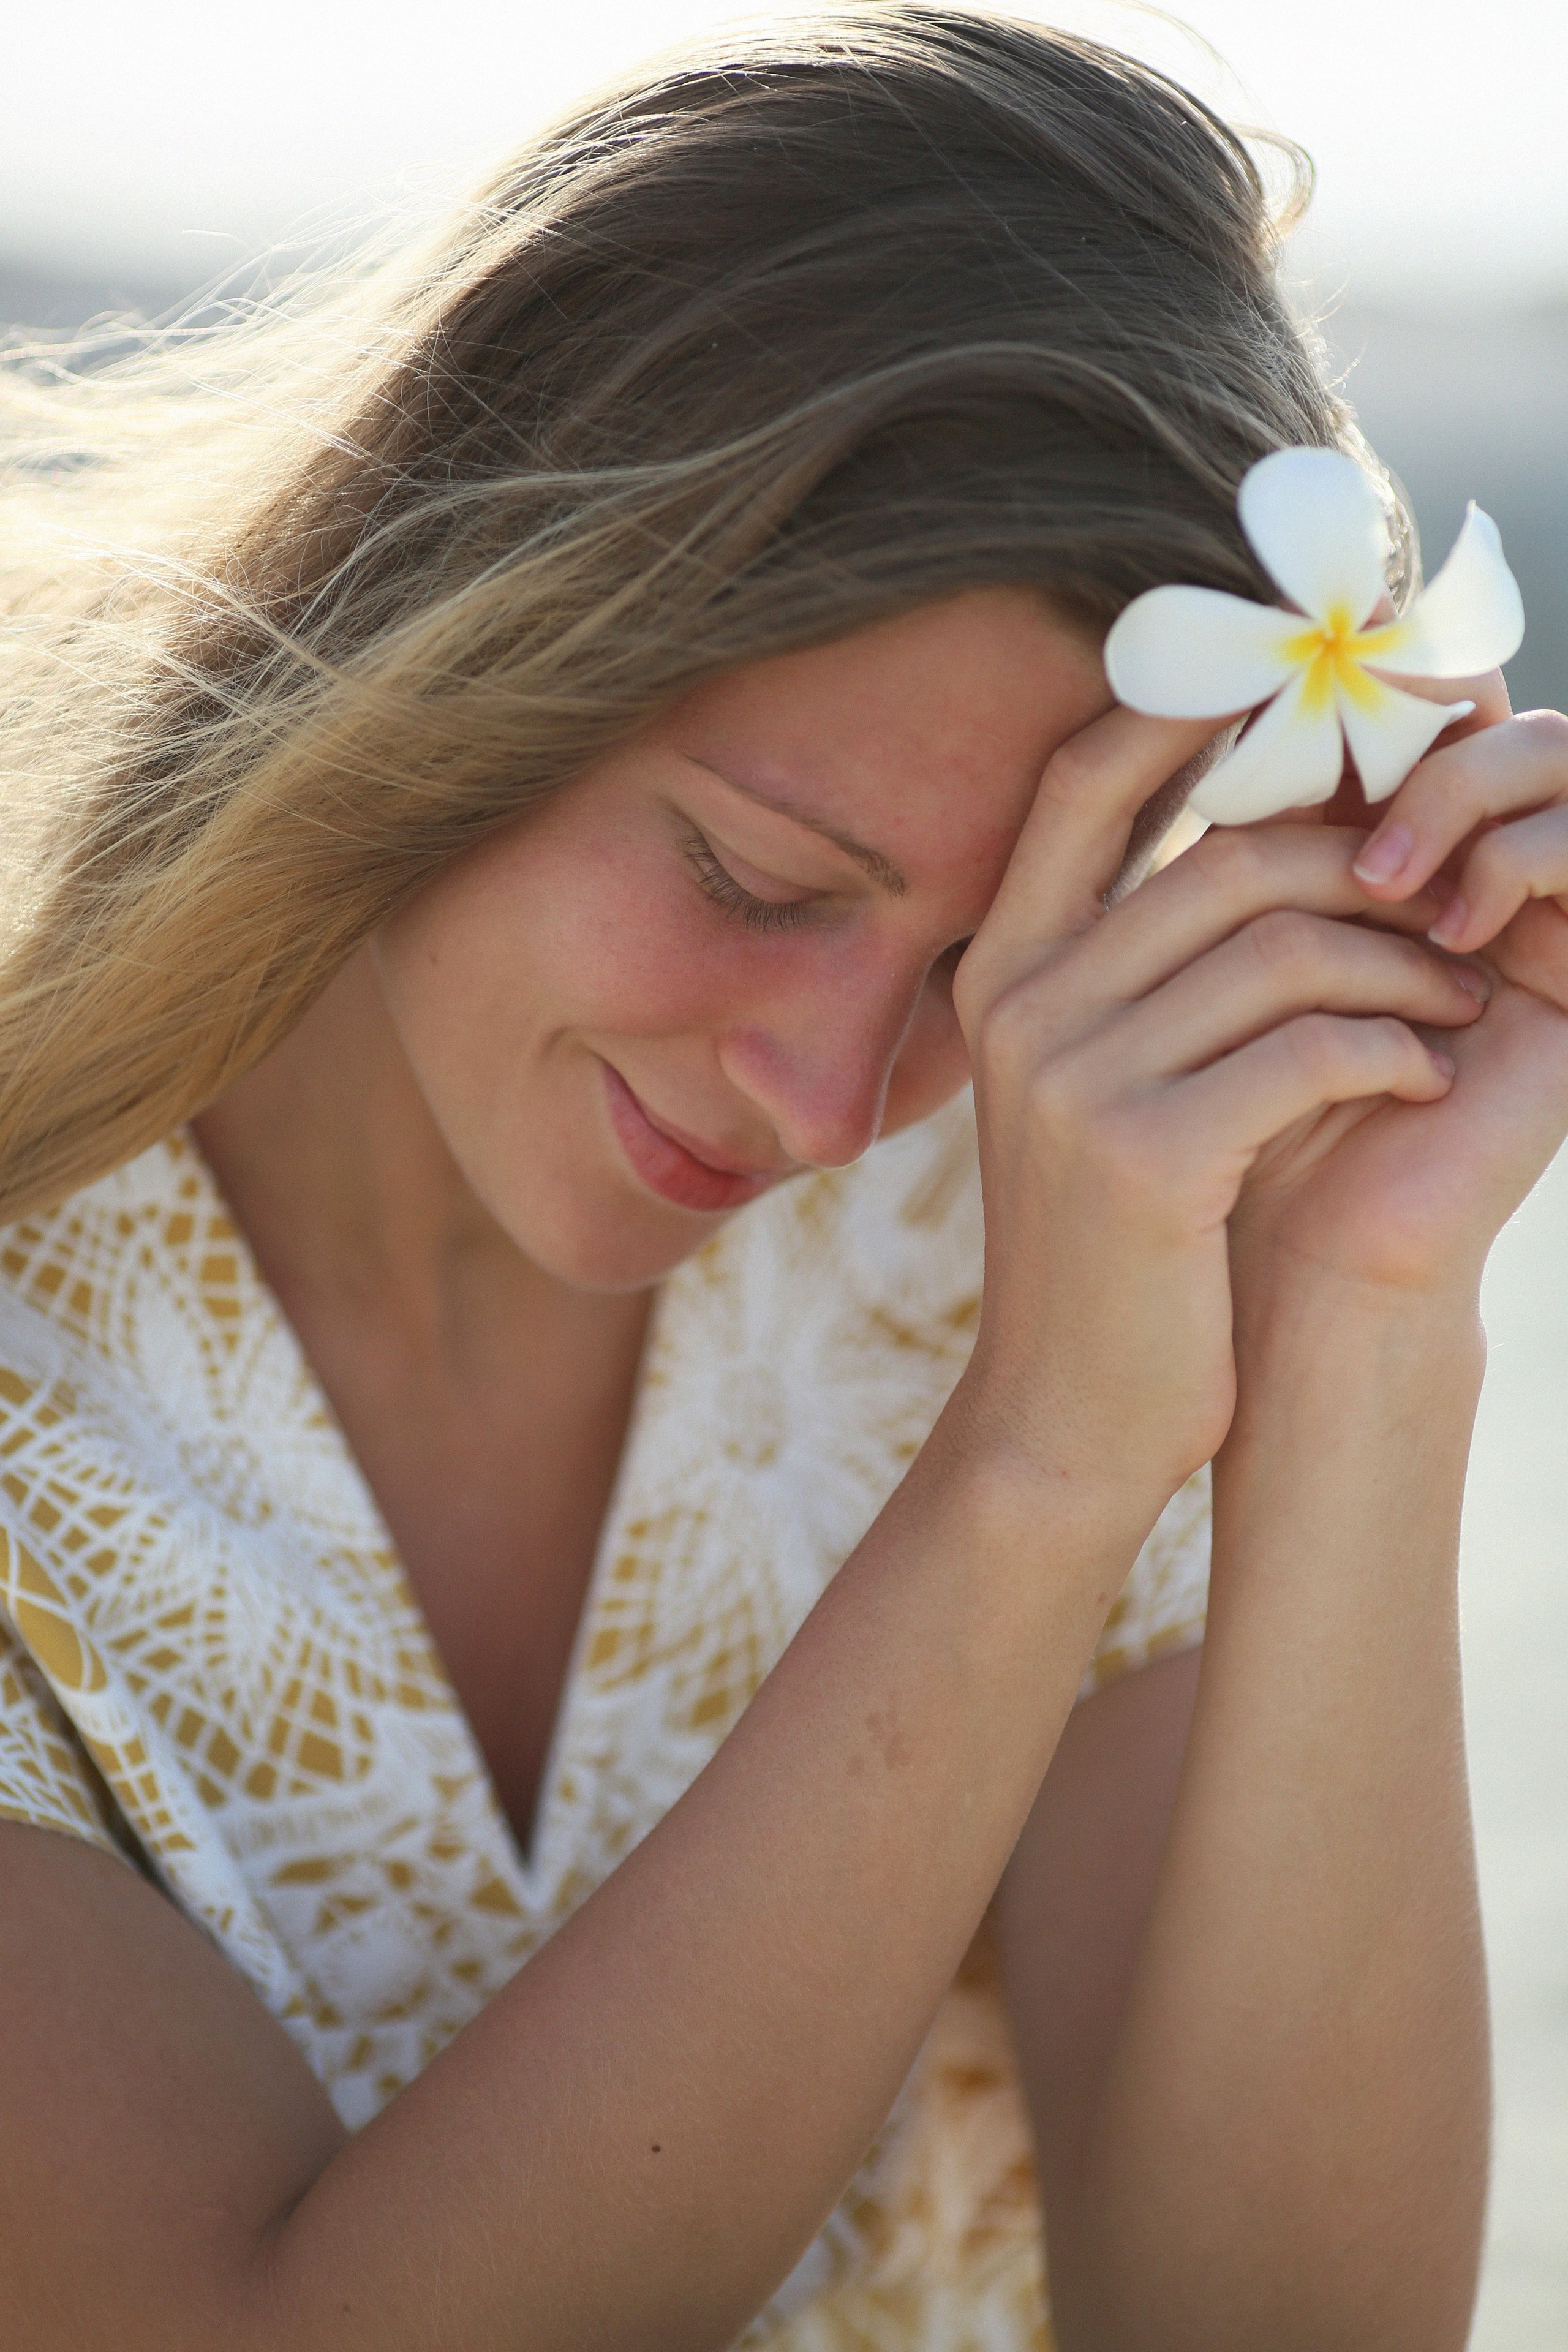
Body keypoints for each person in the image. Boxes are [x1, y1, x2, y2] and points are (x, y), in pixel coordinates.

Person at [1, 9, 1565, 2347]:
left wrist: (1365, 1313)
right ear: (450, 642)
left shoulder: (1034, 1232)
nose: (831, 1115)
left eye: (980, 961)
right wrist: (1028, 1480)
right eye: (755, 879)